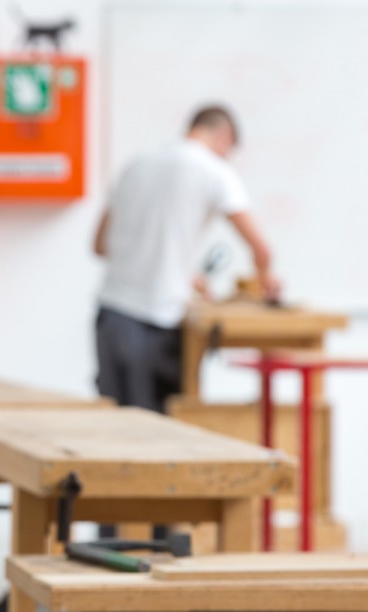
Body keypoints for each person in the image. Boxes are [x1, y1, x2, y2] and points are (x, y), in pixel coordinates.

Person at [92, 104, 280, 415]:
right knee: (159, 439)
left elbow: (100, 245)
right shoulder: (212, 169)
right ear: (225, 137)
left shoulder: (136, 164)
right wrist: (266, 281)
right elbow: (262, 250)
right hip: (156, 320)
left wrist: (180, 272)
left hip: (110, 316)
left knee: (114, 434)